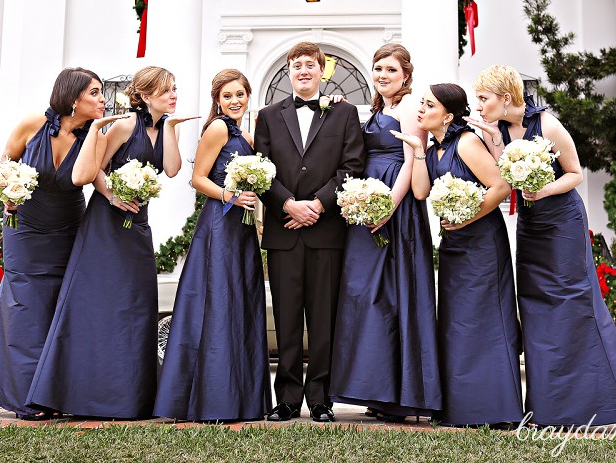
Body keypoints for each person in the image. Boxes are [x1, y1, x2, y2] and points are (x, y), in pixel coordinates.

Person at [468, 64, 616, 426]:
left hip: (562, 222)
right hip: (531, 224)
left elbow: (576, 173)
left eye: (484, 98)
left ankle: (590, 403)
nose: (479, 104)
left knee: (569, 304)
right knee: (534, 306)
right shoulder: (498, 128)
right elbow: (504, 175)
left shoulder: (547, 124)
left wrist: (544, 188)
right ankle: (546, 407)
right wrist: (490, 138)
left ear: (506, 97)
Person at [25, 66, 196, 420]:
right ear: (146, 95)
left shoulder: (162, 127)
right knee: (100, 305)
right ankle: (82, 394)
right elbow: (94, 170)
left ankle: (130, 396)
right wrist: (114, 196)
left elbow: (174, 170)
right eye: (166, 90)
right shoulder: (123, 126)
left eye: (175, 89)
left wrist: (173, 130)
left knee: (135, 305)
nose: (173, 95)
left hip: (138, 226)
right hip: (106, 223)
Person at [0, 67, 109, 420]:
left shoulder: (94, 136)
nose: (102, 100)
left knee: (58, 307)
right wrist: (5, 195)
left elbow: (91, 179)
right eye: (95, 93)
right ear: (74, 98)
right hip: (24, 226)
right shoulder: (32, 125)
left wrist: (121, 198)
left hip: (68, 229)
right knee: (25, 306)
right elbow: (3, 164)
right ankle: (27, 398)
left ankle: (55, 392)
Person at [393, 83, 523, 428]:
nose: (421, 110)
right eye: (421, 103)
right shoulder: (434, 149)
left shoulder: (466, 142)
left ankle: (498, 410)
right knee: (457, 323)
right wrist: (418, 151)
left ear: (448, 115)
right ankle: (462, 408)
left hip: (482, 242)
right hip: (452, 244)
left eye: (429, 105)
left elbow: (500, 187)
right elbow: (421, 192)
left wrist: (467, 215)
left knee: (486, 321)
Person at [254, 41, 365, 423]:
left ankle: (320, 400)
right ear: (288, 72)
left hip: (327, 231)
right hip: (284, 231)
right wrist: (287, 204)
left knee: (324, 320)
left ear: (322, 70)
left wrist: (318, 204)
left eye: (310, 65)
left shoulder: (344, 113)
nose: (303, 70)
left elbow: (353, 165)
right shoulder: (268, 115)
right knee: (285, 319)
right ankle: (285, 399)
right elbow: (260, 168)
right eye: (296, 65)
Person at [329, 44, 440, 422]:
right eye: (377, 68)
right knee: (368, 295)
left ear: (406, 75)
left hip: (396, 204)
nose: (382, 75)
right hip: (367, 203)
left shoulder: (410, 107)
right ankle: (377, 390)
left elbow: (412, 158)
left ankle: (401, 394)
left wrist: (388, 208)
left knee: (395, 293)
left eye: (391, 70)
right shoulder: (379, 108)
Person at [154, 69, 272, 422]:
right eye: (228, 96)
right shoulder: (219, 128)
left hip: (243, 227)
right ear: (217, 101)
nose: (235, 101)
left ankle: (242, 397)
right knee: (219, 303)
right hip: (220, 224)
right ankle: (213, 398)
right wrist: (230, 195)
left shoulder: (246, 134)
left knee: (240, 303)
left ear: (248, 95)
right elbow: (197, 178)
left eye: (240, 94)